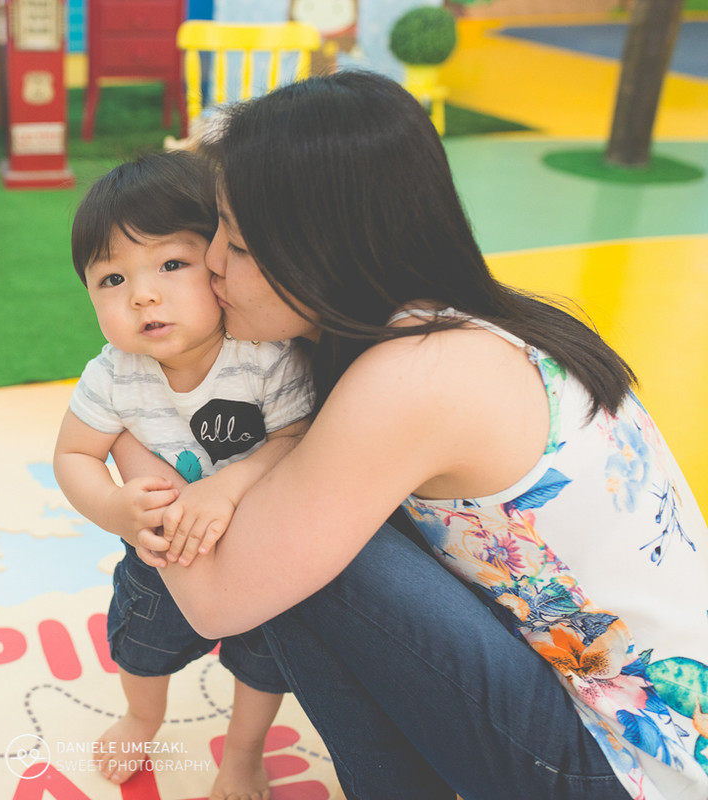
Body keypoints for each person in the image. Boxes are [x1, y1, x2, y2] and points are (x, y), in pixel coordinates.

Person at [107, 71, 708, 800]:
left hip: (630, 771)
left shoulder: (413, 379)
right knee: (298, 518)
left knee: (291, 548)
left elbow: (218, 598)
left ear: (319, 247)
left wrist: (131, 436)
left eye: (236, 243)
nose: (210, 264)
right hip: (657, 734)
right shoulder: (477, 321)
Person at [53, 151, 314, 800]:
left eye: (172, 264)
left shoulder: (260, 355)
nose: (142, 294)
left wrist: (229, 483)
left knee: (263, 662)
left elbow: (298, 438)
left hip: (258, 552)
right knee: (139, 648)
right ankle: (144, 718)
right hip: (159, 559)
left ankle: (244, 755)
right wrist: (113, 508)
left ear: (219, 264)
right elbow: (73, 454)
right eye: (112, 280)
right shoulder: (113, 373)